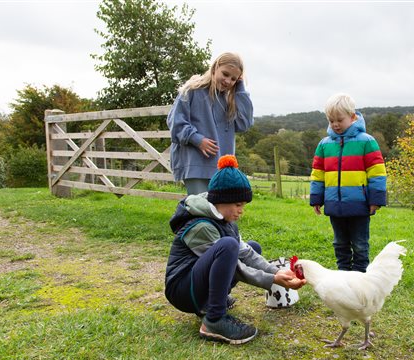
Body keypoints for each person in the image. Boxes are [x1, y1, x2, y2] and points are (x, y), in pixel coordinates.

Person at [165, 155, 305, 344]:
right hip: (183, 291)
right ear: (221, 201)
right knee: (228, 246)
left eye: (243, 206)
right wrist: (272, 280)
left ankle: (211, 303)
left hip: (197, 287)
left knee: (252, 247)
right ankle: (214, 320)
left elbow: (246, 253)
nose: (241, 211)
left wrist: (277, 271)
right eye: (238, 205)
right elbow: (236, 267)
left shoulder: (226, 221)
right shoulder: (201, 226)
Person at [309, 93, 387, 273]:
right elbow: (318, 173)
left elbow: (377, 173)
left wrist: (375, 199)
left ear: (352, 117)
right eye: (331, 120)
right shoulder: (324, 144)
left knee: (360, 244)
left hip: (360, 205)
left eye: (339, 120)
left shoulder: (367, 142)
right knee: (339, 243)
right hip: (334, 205)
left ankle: (360, 278)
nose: (335, 124)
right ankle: (342, 276)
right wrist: (316, 198)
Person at [167, 52, 254, 195]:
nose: (227, 81)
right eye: (225, 74)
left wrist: (240, 89)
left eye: (233, 79)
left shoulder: (229, 101)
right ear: (215, 68)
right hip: (196, 164)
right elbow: (176, 123)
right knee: (201, 210)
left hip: (221, 170)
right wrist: (197, 140)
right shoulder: (192, 90)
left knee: (222, 213)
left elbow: (245, 123)